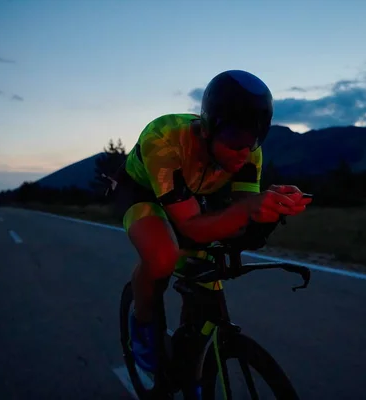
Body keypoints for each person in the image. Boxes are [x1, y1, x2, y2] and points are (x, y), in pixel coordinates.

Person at [116, 69, 312, 373]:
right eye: (235, 138)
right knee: (163, 257)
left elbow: (242, 210)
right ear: (207, 128)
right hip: (142, 191)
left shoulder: (247, 154)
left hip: (192, 192)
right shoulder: (164, 139)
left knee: (206, 270)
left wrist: (271, 207)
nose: (243, 152)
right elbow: (192, 225)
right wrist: (247, 211)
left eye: (254, 139)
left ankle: (189, 364)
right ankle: (142, 327)